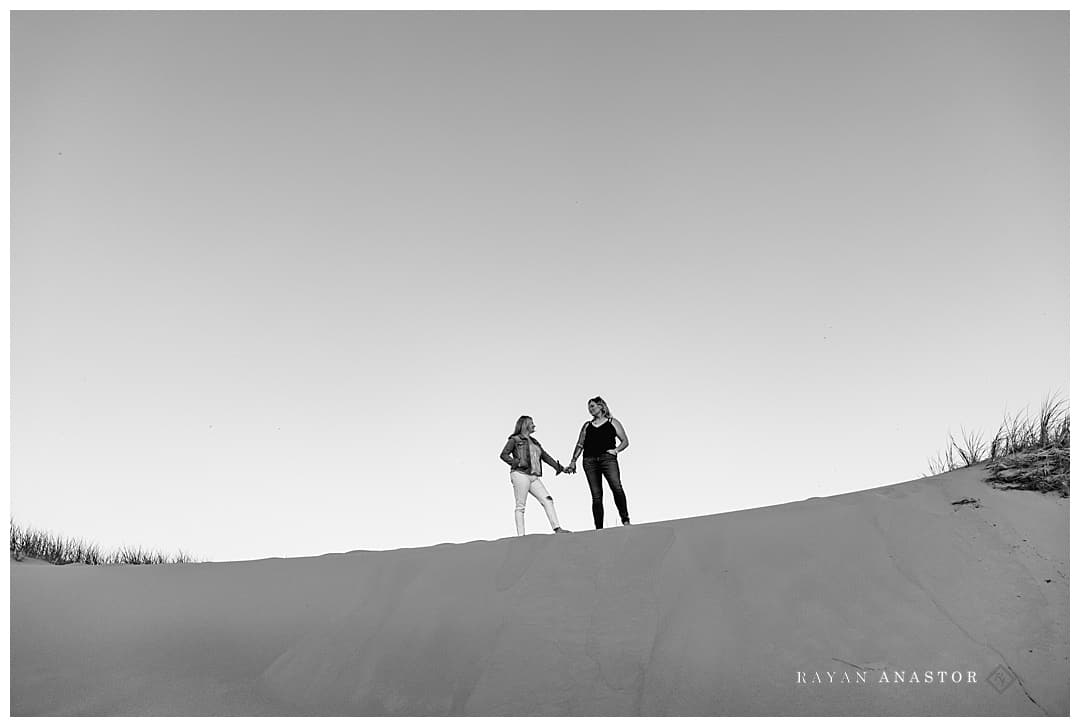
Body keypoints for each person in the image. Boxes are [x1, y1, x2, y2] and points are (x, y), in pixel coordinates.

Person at [499, 415, 572, 536]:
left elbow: (545, 456)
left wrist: (560, 468)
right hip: (520, 474)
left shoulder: (535, 442)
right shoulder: (515, 439)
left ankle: (557, 529)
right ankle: (521, 536)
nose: (534, 425)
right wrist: (516, 462)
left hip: (533, 476)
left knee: (548, 499)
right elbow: (503, 454)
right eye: (531, 423)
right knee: (520, 506)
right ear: (524, 425)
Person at [566, 396, 631, 528]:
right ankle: (599, 529)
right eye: (589, 407)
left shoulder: (612, 422)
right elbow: (580, 444)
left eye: (593, 406)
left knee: (616, 487)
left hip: (608, 459)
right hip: (589, 461)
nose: (590, 409)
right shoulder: (587, 425)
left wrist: (616, 450)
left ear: (601, 406)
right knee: (596, 495)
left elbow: (625, 441)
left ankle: (625, 520)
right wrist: (573, 461)